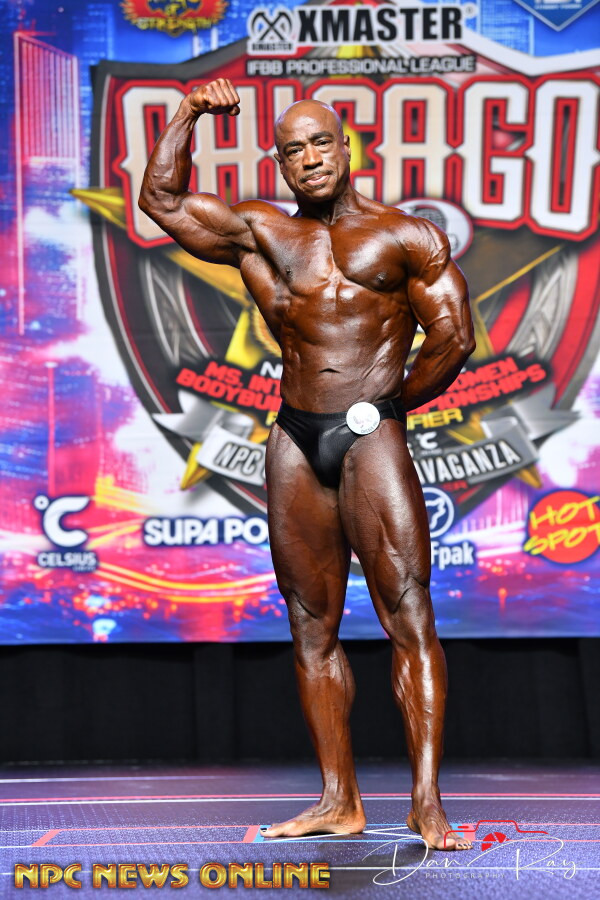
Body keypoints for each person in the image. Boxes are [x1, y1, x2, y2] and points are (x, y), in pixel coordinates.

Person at [139, 78, 475, 850]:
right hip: (294, 436)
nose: (310, 158)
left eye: (322, 142)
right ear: (281, 164)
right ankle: (338, 800)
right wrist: (188, 112)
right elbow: (162, 201)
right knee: (309, 624)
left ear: (347, 148)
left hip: (369, 436)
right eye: (293, 150)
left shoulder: (405, 236)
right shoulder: (261, 234)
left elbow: (453, 337)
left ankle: (426, 803)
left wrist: (387, 406)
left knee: (408, 614)